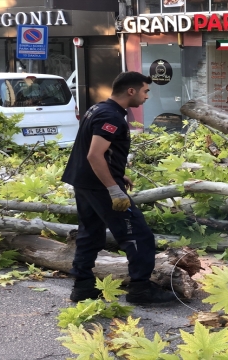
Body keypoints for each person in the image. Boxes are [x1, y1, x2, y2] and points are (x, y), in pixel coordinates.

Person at [61, 72, 176, 304]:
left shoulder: (98, 109)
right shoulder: (111, 117)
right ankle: (141, 289)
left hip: (84, 182)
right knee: (138, 235)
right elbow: (94, 154)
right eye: (145, 91)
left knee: (90, 233)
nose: (147, 96)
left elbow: (94, 151)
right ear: (131, 91)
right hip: (100, 187)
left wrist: (117, 172)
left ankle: (82, 286)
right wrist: (113, 188)